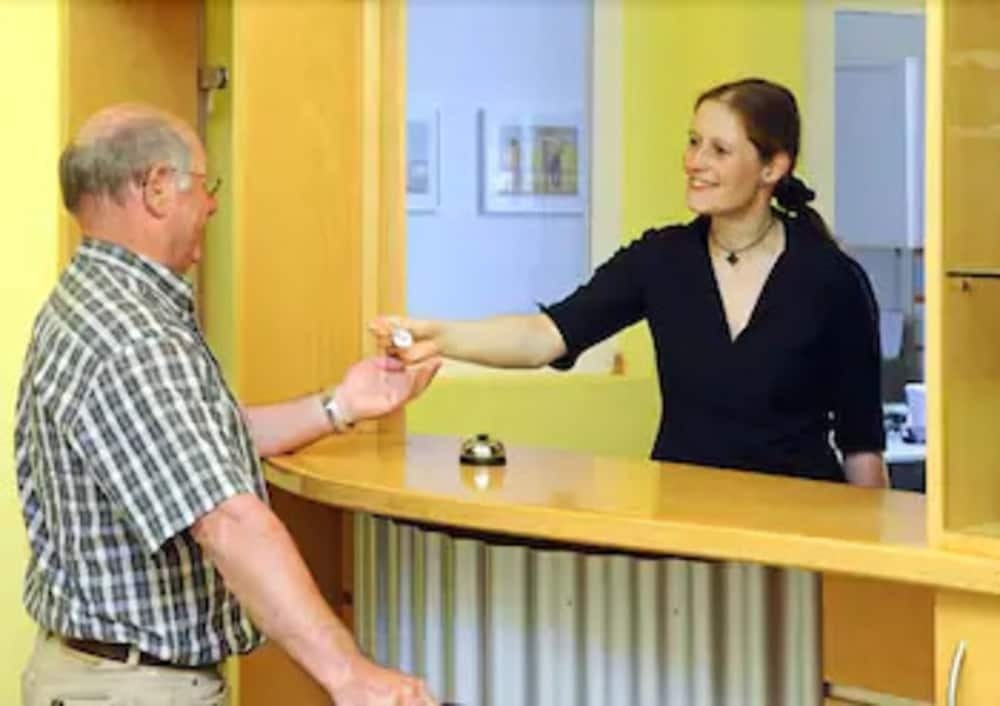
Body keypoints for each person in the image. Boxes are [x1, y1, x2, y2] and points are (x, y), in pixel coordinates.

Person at [15, 104, 442, 706]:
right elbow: (228, 522)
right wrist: (351, 674)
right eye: (203, 184)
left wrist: (342, 403)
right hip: (133, 691)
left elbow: (198, 441)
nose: (212, 204)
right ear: (157, 189)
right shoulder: (134, 337)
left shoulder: (95, 302)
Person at [373, 78, 886, 488]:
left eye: (719, 150)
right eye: (693, 142)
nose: (695, 162)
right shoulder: (660, 259)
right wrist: (439, 336)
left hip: (798, 532)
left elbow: (862, 446)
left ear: (773, 167)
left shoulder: (831, 278)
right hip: (684, 528)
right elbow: (544, 336)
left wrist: (871, 560)